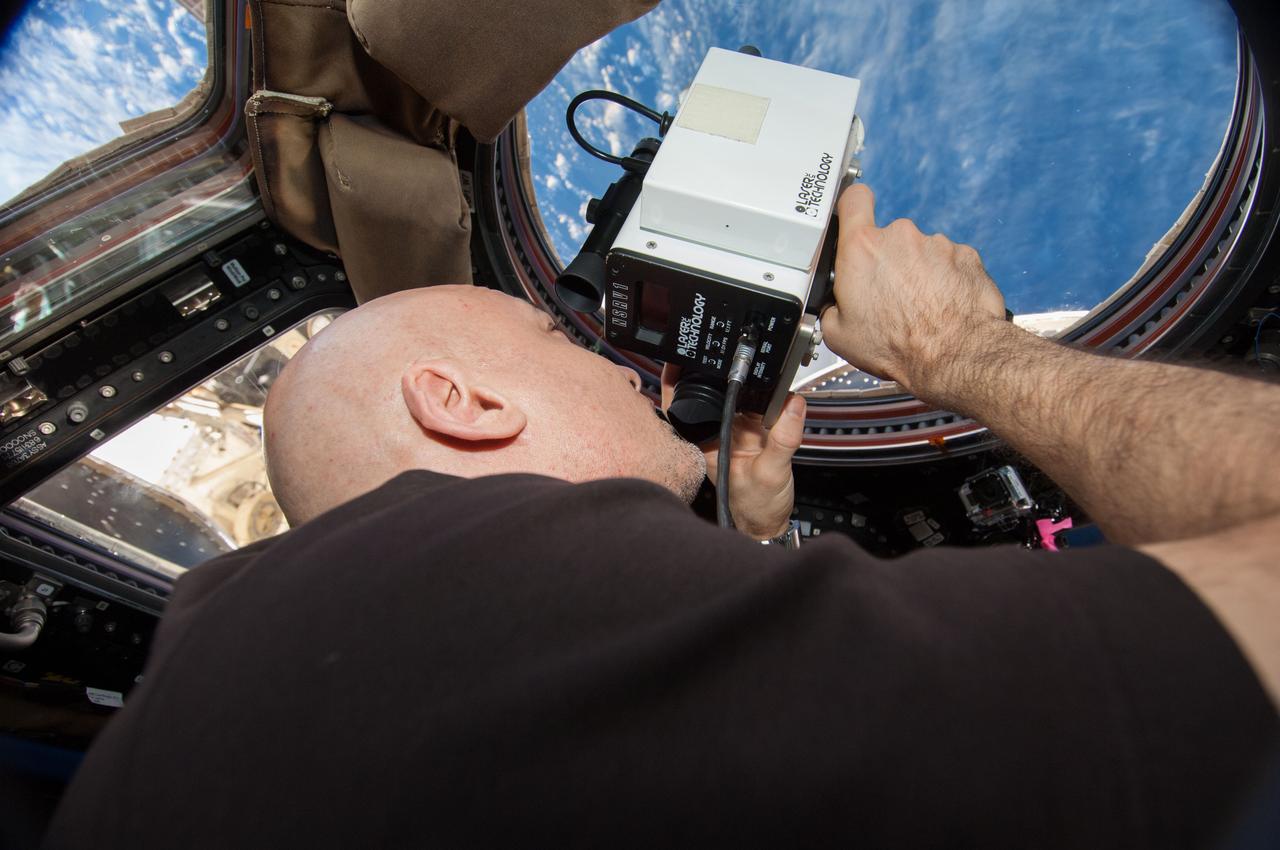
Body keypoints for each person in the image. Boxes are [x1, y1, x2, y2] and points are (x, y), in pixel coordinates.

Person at [43, 186, 1278, 849]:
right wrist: (959, 348)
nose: (620, 366)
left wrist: (743, 542)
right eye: (554, 336)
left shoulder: (261, 674)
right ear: (461, 405)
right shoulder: (445, 570)